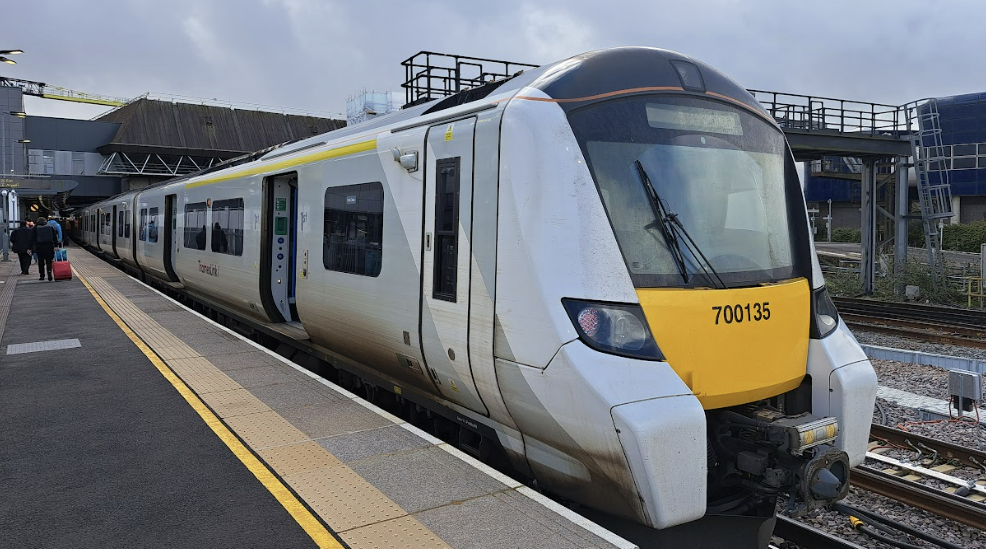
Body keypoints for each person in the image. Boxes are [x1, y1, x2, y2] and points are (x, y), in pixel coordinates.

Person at [31, 217, 58, 281]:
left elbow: (32, 238)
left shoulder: (35, 228)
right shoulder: (50, 227)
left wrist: (30, 248)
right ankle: (49, 273)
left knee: (41, 261)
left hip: (40, 247)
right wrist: (56, 245)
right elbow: (54, 237)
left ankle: (42, 276)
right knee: (49, 261)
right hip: (49, 246)